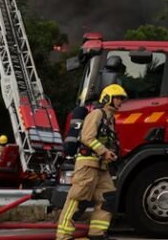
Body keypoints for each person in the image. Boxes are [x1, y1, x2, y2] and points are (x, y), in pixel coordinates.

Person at [55, 84, 127, 240]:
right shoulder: (96, 114)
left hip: (101, 166)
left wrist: (113, 154)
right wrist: (104, 151)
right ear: (108, 98)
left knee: (108, 198)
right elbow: (87, 137)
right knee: (78, 199)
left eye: (122, 98)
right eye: (119, 98)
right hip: (88, 163)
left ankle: (97, 234)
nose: (121, 101)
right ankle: (63, 236)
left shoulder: (110, 119)